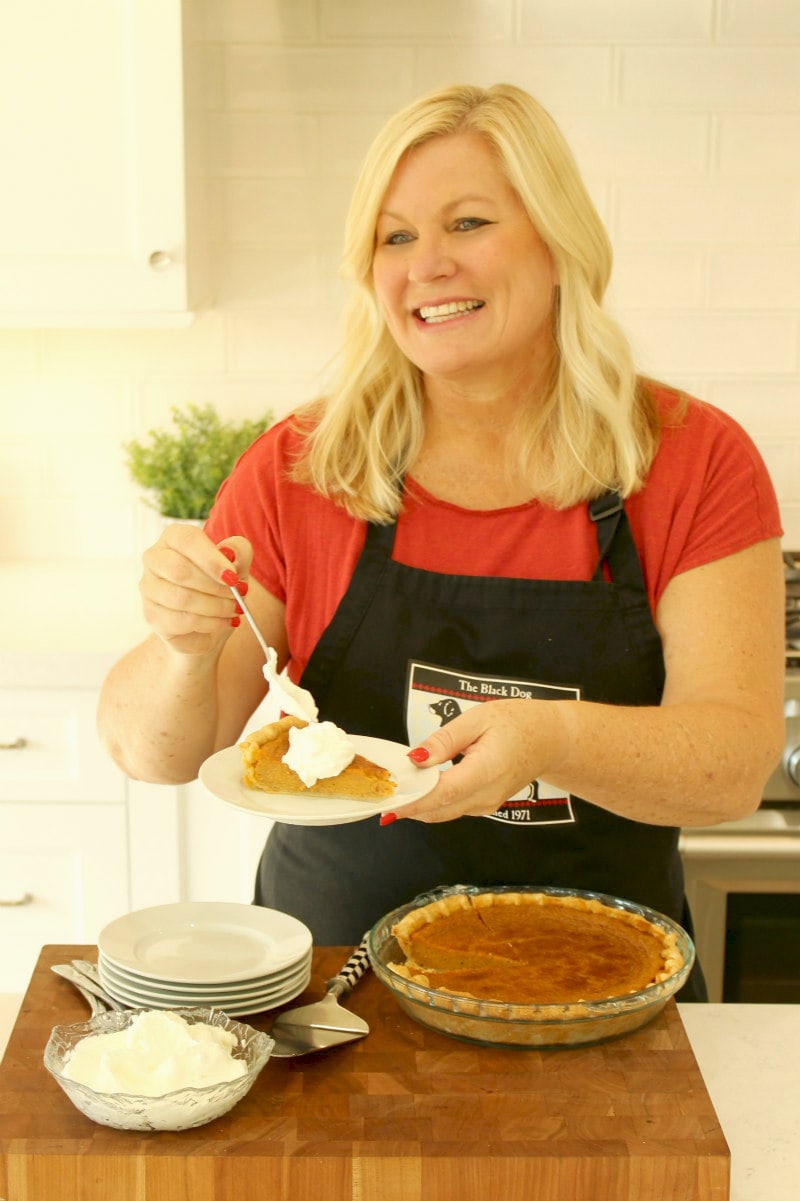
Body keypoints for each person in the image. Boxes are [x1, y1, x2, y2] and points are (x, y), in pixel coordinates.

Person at [98, 83, 786, 999]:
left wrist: (549, 736)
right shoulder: (303, 464)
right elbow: (155, 753)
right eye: (395, 237)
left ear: (556, 244)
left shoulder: (693, 458)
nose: (427, 265)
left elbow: (733, 768)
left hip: (603, 995)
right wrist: (185, 650)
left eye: (467, 223)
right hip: (338, 994)